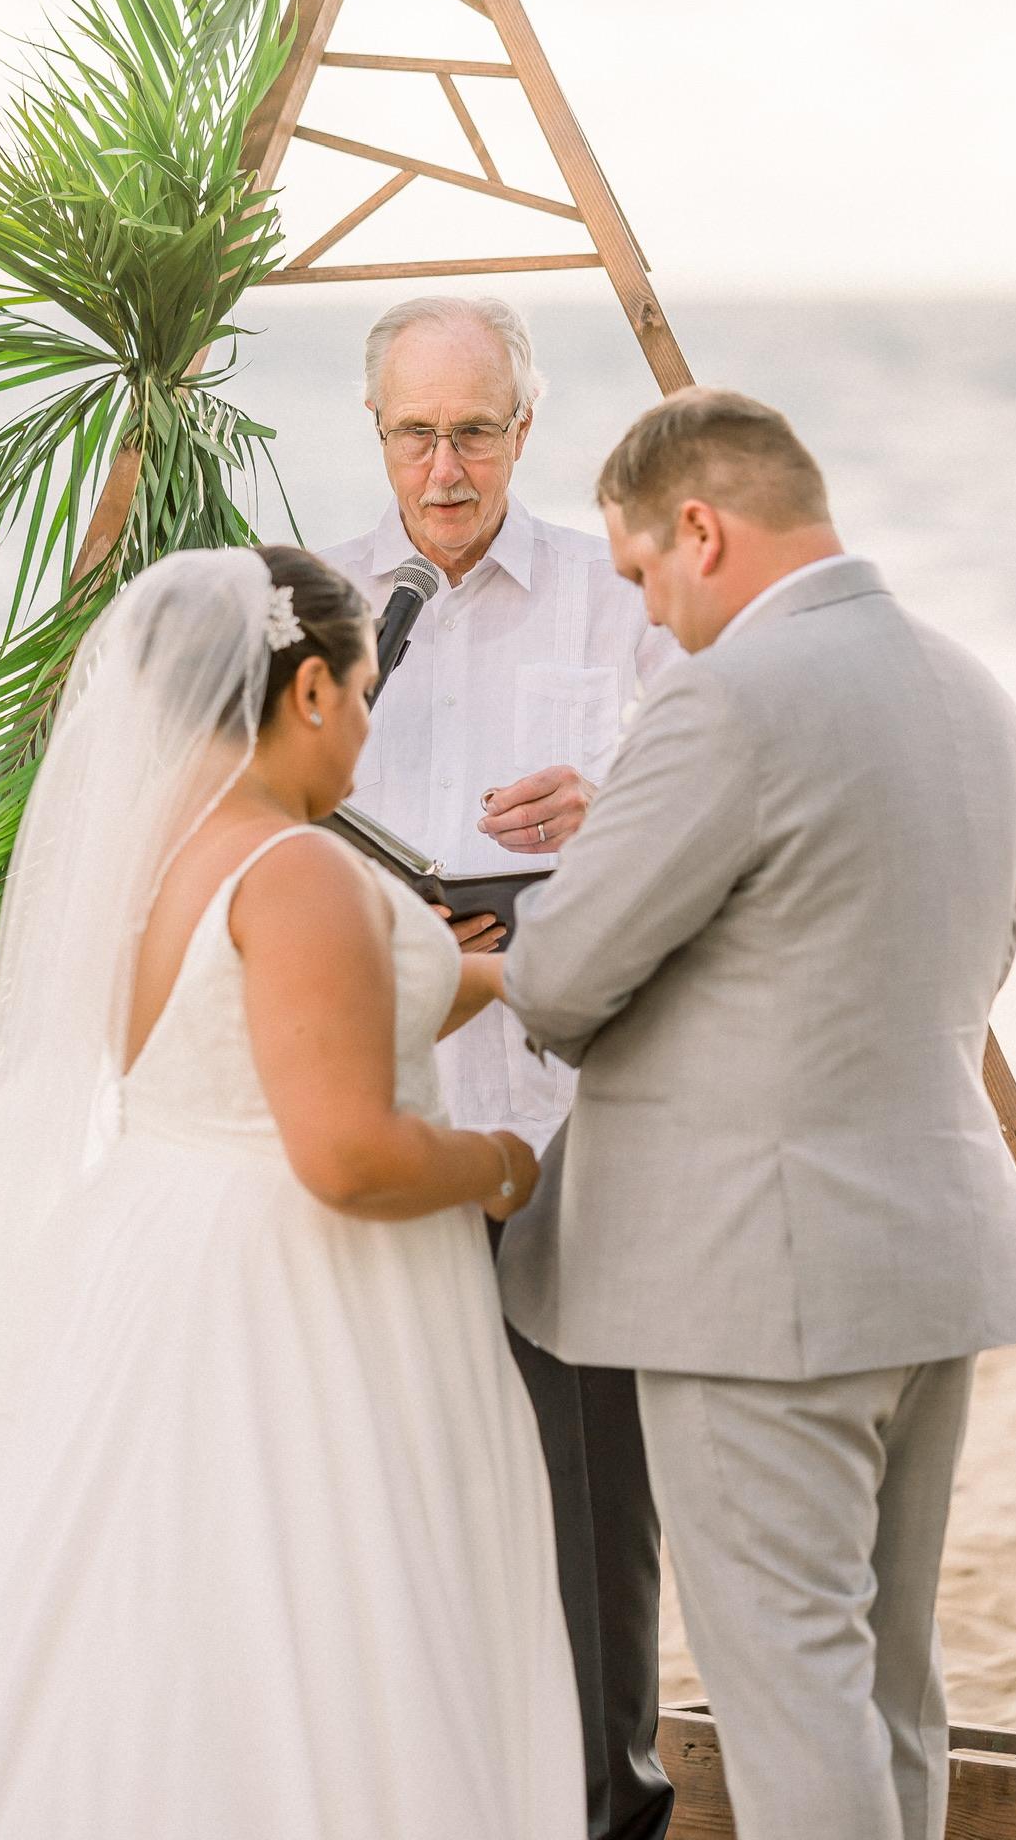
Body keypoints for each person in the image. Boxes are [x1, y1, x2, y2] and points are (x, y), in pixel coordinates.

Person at [0, 547, 585, 1840]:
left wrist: (497, 980)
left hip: (155, 1265)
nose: (368, 729)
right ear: (312, 692)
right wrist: (504, 1163)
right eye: (365, 694)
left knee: (150, 1608)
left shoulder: (157, 860)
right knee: (325, 1622)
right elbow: (347, 1156)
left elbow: (278, 1034)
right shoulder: (298, 869)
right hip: (305, 1298)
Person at [497, 389, 1016, 1840]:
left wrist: (577, 882)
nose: (650, 613)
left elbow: (561, 979)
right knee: (890, 1681)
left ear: (700, 529)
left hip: (754, 1280)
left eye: (643, 574)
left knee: (789, 1693)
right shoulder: (971, 689)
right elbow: (949, 961)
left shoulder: (725, 700)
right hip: (938, 1246)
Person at [323, 293, 675, 1840]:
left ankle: (608, 1810)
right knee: (384, 1507)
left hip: (564, 1128)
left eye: (475, 432)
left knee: (589, 1508)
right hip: (378, 1119)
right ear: (377, 433)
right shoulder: (321, 604)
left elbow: (721, 817)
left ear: (526, 432)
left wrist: (610, 809)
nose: (445, 469)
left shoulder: (617, 603)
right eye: (415, 433)